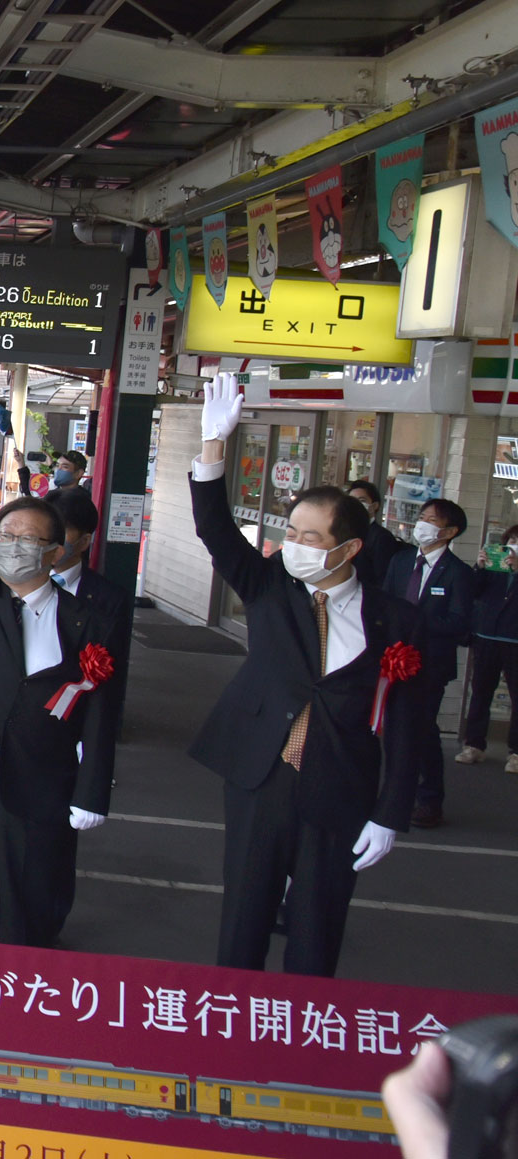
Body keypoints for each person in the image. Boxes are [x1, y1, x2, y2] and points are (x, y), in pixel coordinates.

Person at [190, 372, 420, 977]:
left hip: (340, 783)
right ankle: (231, 1024)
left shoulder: (395, 620)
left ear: (348, 550)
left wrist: (391, 811)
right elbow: (215, 531)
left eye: (309, 538)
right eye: (289, 532)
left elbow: (407, 721)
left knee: (318, 925)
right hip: (260, 771)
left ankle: (301, 1032)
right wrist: (213, 447)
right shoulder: (269, 585)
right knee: (244, 912)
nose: (293, 545)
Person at [0, 403, 123, 946]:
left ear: (56, 552)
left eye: (28, 540)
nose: (14, 548)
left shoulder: (86, 615)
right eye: (6, 537)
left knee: (26, 891)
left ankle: (20, 985)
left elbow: (104, 705)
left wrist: (92, 790)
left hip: (40, 775)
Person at [41, 487, 133, 939]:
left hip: (68, 737)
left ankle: (49, 921)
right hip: (16, 732)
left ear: (84, 540)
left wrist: (93, 764)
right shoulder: (13, 581)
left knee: (55, 843)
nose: (49, 542)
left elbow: (108, 689)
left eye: (62, 533)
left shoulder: (108, 599)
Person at [385, 499, 476, 828]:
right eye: (421, 517)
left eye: (431, 520)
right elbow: (384, 602)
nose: (422, 524)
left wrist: (416, 624)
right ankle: (394, 797)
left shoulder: (458, 574)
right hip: (390, 661)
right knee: (392, 729)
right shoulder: (401, 560)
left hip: (430, 666)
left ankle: (429, 800)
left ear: (449, 532)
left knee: (422, 731)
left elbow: (459, 623)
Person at [459, 523, 518, 773]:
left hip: (515, 640)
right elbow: (470, 592)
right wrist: (480, 567)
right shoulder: (494, 568)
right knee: (481, 692)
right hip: (487, 635)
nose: (513, 548)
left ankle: (515, 752)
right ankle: (474, 745)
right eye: (511, 541)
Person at [348, 479, 405, 587]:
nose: (356, 505)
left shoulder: (382, 537)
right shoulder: (344, 532)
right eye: (352, 500)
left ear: (375, 505)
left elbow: (382, 577)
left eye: (362, 500)